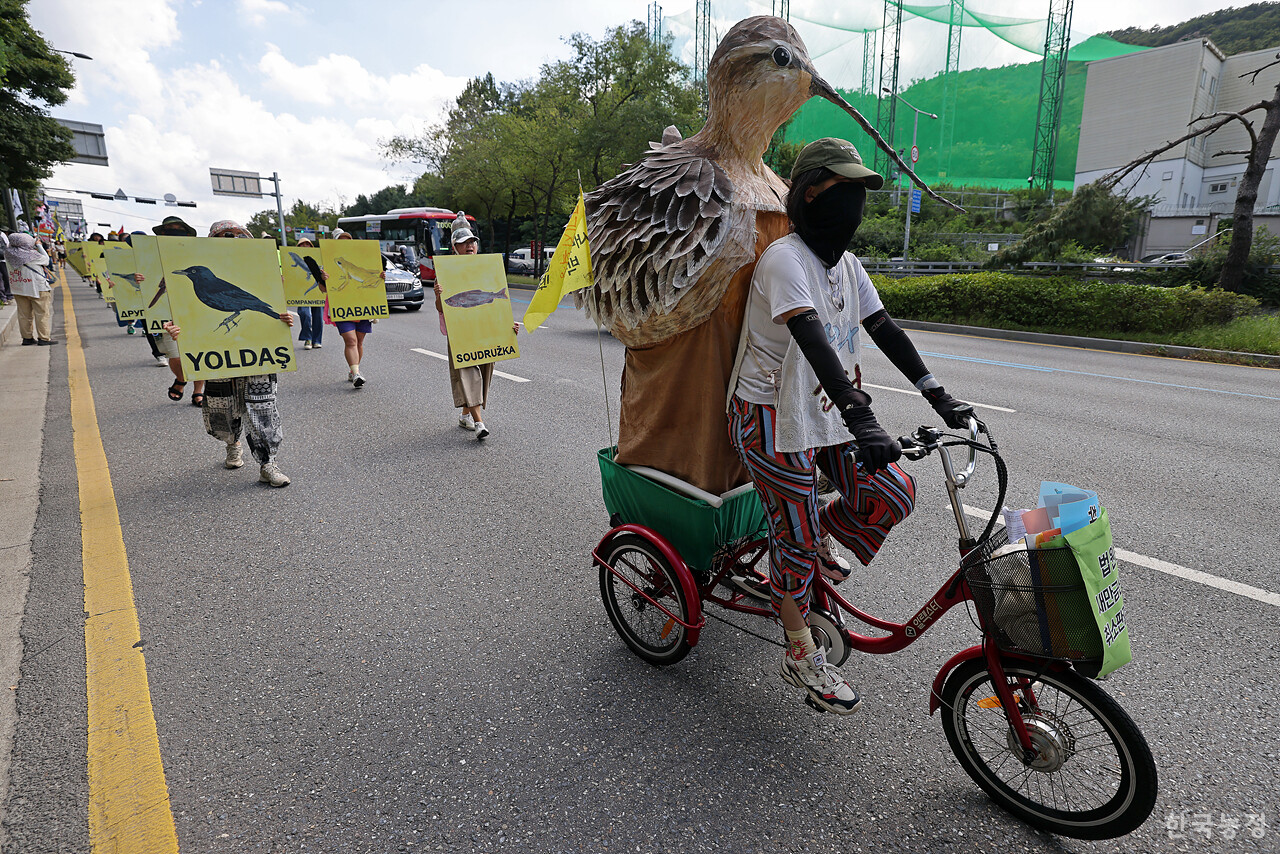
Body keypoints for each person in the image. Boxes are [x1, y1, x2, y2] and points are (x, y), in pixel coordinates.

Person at [727, 138, 974, 715]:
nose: (858, 205)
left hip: (826, 409)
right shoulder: (786, 259)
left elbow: (884, 328)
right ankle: (797, 649)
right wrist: (864, 419)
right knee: (799, 536)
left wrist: (938, 393)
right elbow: (812, 338)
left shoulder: (847, 265)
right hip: (768, 414)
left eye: (863, 193)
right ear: (813, 192)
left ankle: (803, 553)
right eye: (849, 190)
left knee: (892, 492)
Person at [163, 220, 295, 487]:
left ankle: (268, 463)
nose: (232, 238)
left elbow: (275, 300)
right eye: (225, 235)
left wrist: (282, 319)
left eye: (238, 234)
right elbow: (185, 317)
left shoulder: (259, 264)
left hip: (257, 352)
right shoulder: (194, 277)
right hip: (217, 355)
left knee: (263, 408)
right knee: (221, 410)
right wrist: (177, 331)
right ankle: (232, 443)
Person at [433, 223, 518, 440]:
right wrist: (437, 295)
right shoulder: (446, 271)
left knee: (485, 372)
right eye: (463, 243)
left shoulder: (489, 266)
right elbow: (443, 308)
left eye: (472, 242)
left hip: (487, 332)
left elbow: (498, 306)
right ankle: (479, 422)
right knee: (468, 374)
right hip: (461, 334)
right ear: (455, 247)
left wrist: (508, 325)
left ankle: (466, 415)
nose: (469, 245)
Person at [321, 228, 378, 387]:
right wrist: (324, 279)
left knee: (359, 341)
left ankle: (354, 369)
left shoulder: (361, 257)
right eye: (341, 241)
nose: (345, 244)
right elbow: (323, 289)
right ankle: (356, 374)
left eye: (348, 240)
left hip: (362, 305)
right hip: (341, 306)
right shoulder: (328, 262)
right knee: (351, 340)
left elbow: (371, 274)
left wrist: (380, 276)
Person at [0, 231, 57, 345]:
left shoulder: (8, 254)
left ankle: (27, 338)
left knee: (23, 314)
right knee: (41, 314)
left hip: (19, 288)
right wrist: (39, 245)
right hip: (37, 288)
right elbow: (46, 260)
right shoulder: (32, 255)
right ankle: (43, 338)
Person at [293, 237, 323, 350]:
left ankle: (317, 340)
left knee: (318, 316)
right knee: (304, 313)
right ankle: (307, 338)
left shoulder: (317, 257)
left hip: (317, 290)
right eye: (302, 244)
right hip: (301, 291)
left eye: (307, 244)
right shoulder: (295, 259)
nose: (305, 246)